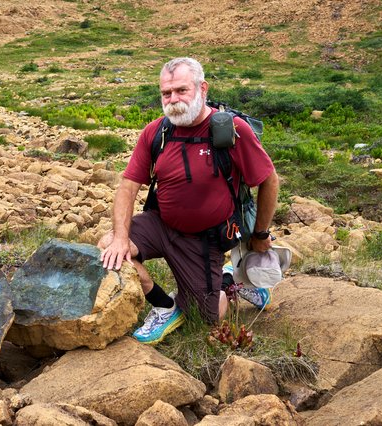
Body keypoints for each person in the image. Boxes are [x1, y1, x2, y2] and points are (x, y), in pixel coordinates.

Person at [98, 57, 279, 345]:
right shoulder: (157, 132)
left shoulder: (231, 131)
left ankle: (231, 281)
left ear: (202, 88)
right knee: (111, 248)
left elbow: (268, 179)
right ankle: (164, 305)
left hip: (204, 239)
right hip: (161, 224)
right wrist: (121, 237)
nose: (173, 100)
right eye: (166, 93)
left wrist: (259, 234)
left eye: (181, 90)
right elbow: (128, 186)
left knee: (207, 316)